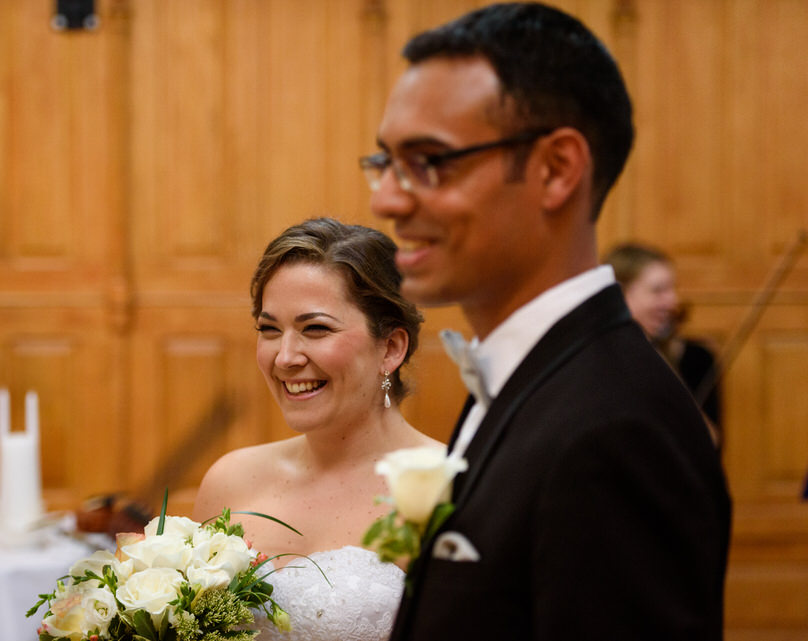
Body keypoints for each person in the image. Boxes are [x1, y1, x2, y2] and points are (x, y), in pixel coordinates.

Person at [363, 3, 731, 639]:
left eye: (429, 161)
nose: (386, 198)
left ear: (557, 169)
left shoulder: (618, 429)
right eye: (384, 162)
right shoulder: (532, 377)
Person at [192, 217, 440, 641]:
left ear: (391, 348)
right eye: (270, 330)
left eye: (316, 329)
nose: (285, 357)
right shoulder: (230, 480)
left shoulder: (452, 488)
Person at [604, 242, 722, 439]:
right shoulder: (599, 359)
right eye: (658, 291)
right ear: (620, 294)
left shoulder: (696, 358)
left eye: (672, 289)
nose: (673, 301)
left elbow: (711, 441)